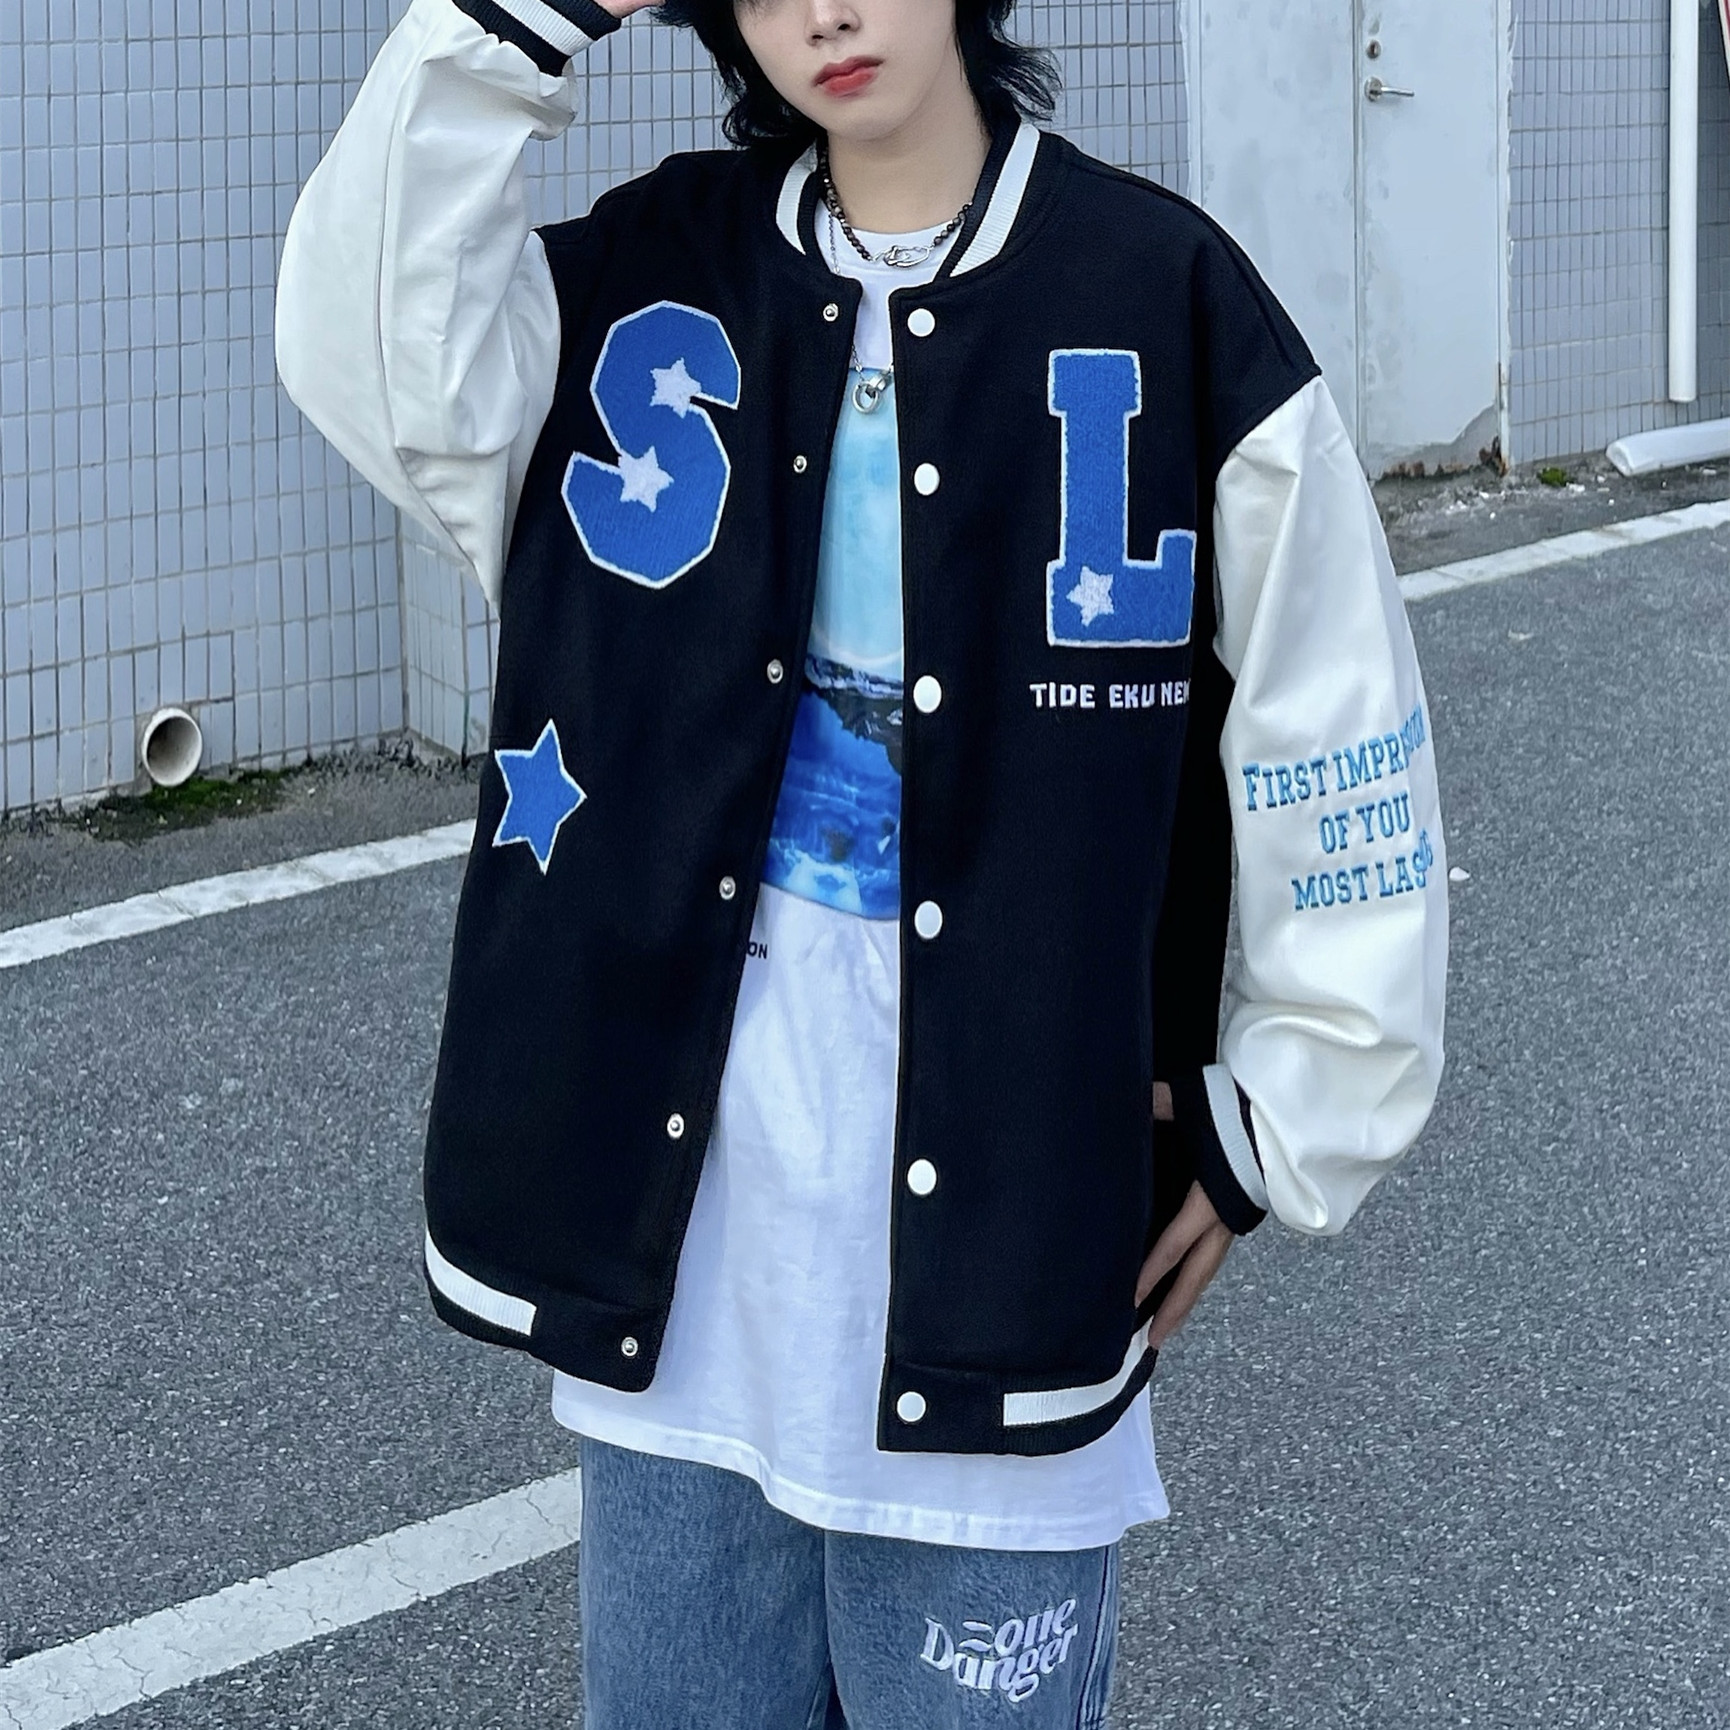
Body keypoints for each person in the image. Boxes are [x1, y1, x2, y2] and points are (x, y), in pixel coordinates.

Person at [275, 0, 1449, 1722]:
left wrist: (1284, 1109)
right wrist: (515, 22)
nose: (821, 10)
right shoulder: (645, 280)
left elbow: (1329, 715)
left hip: (1006, 1272)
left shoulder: (1159, 292)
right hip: (686, 1294)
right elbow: (370, 343)